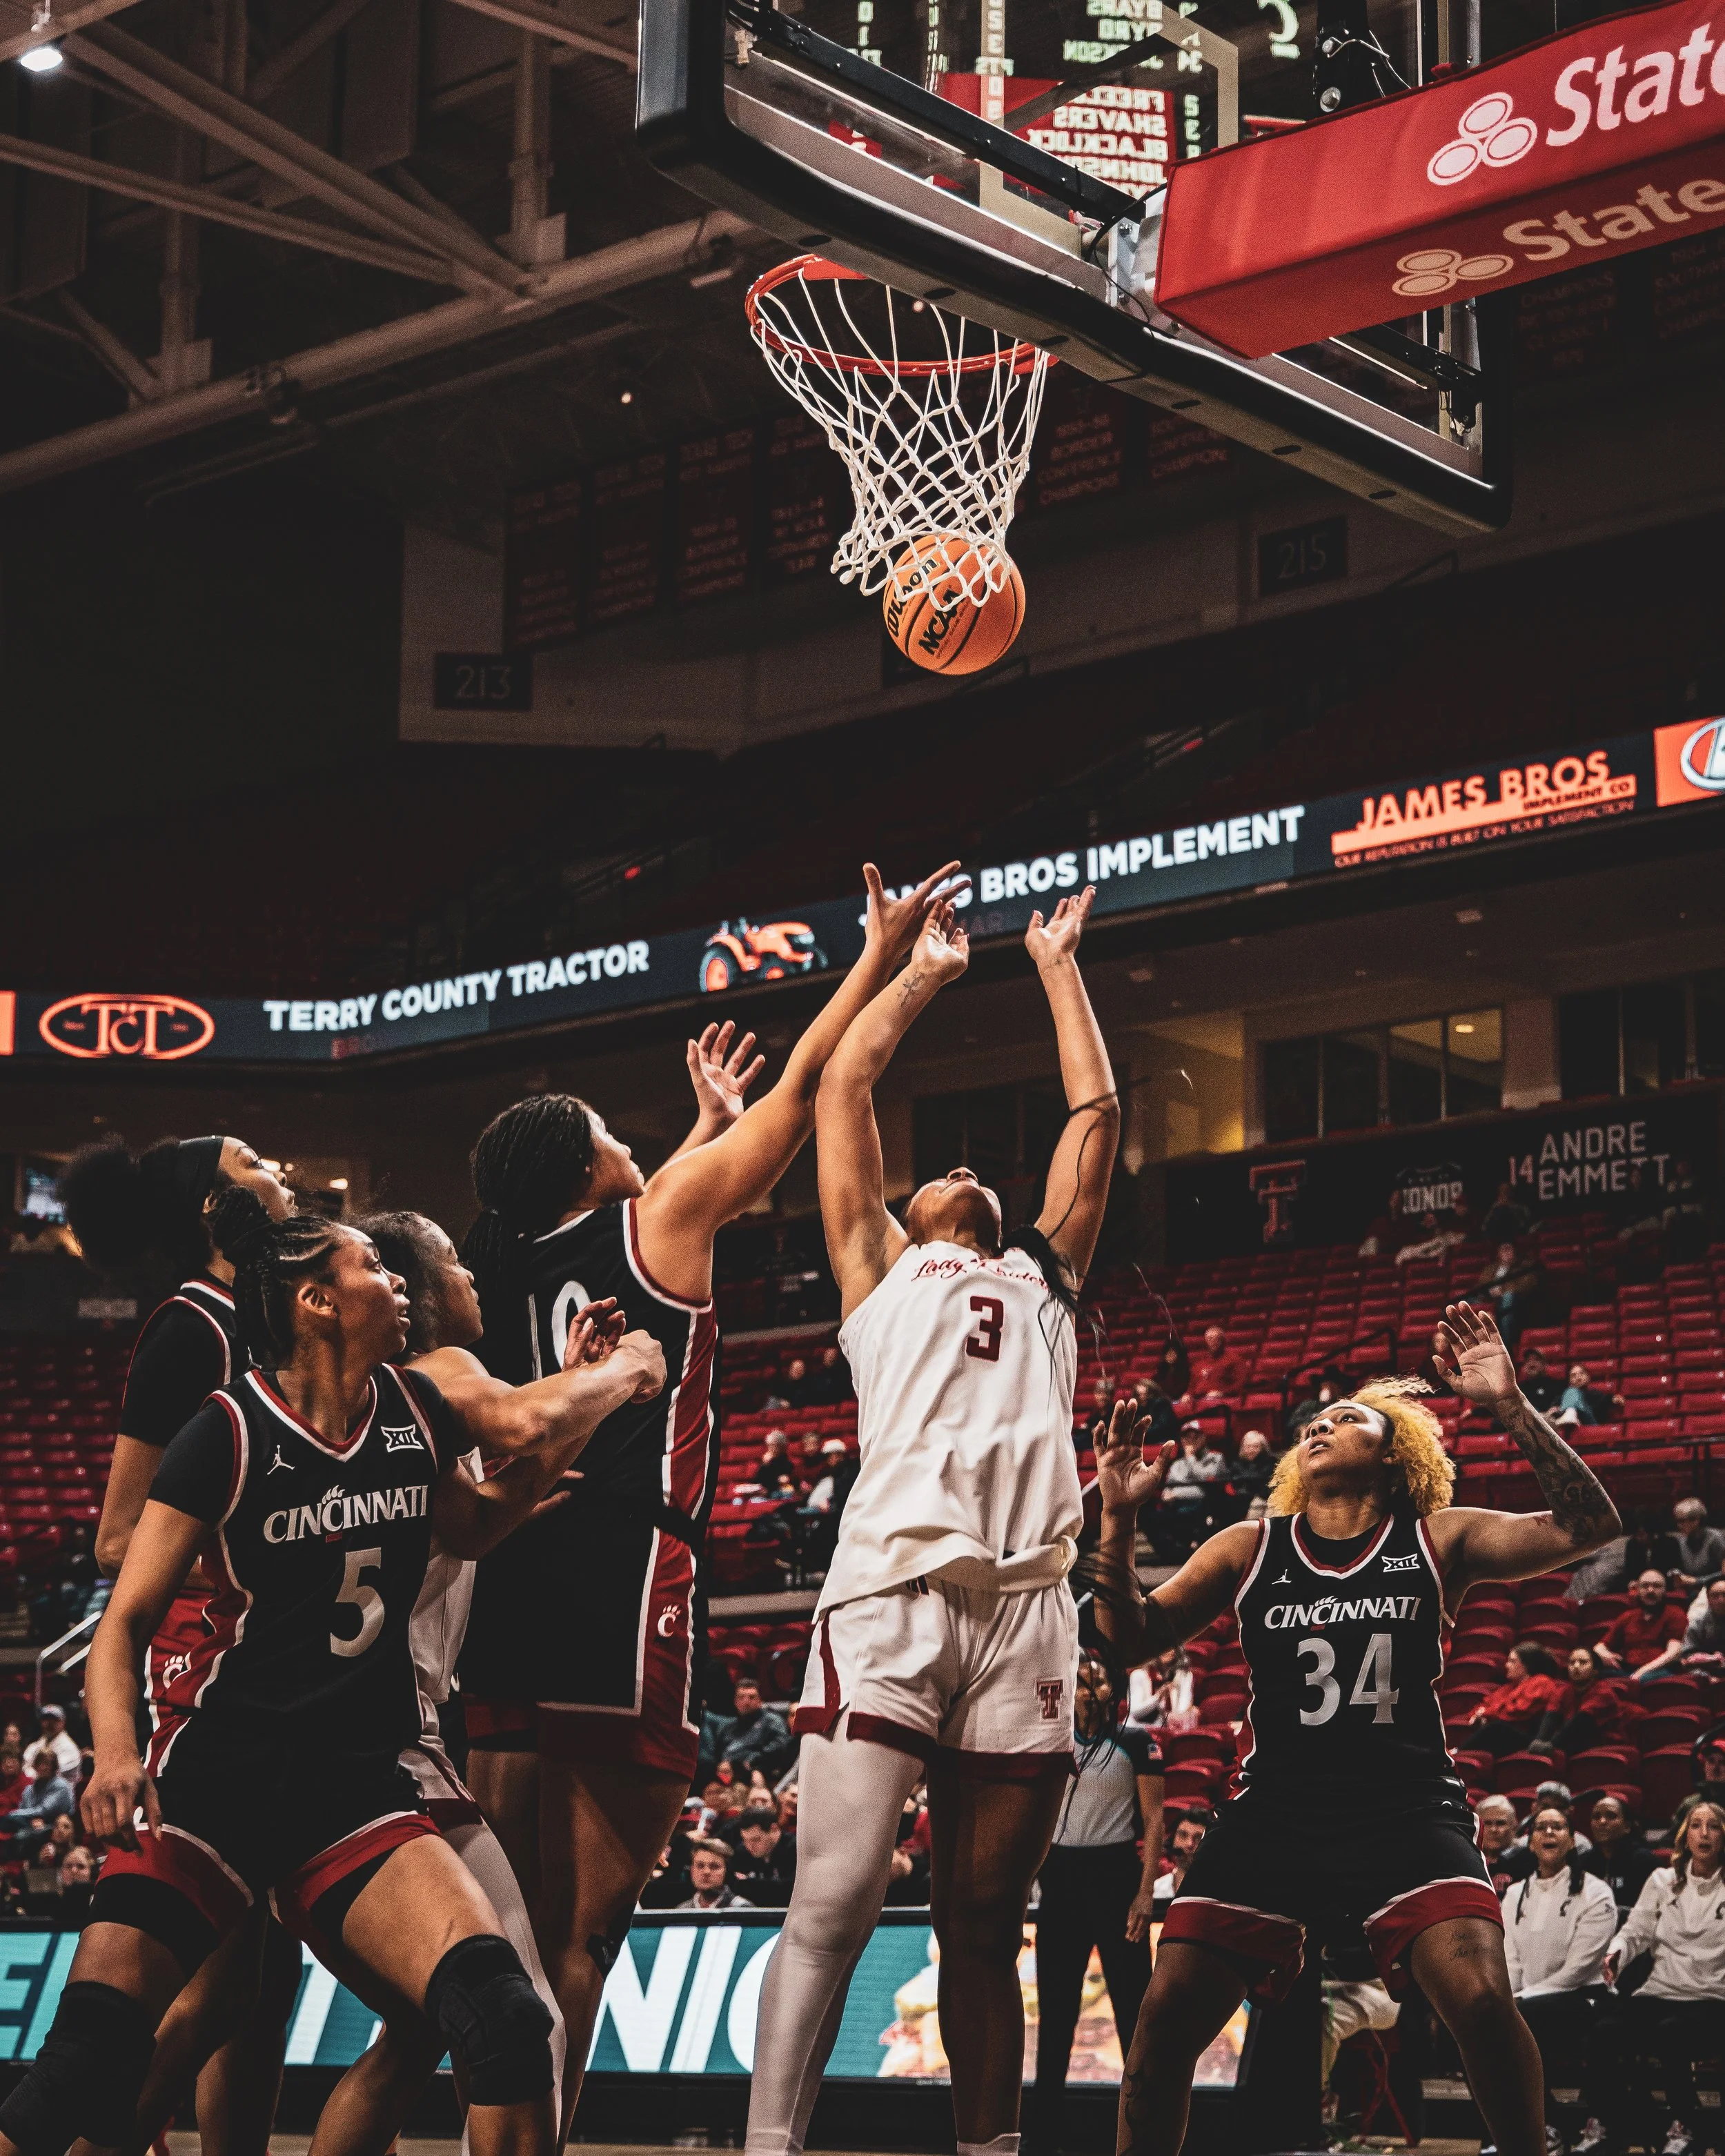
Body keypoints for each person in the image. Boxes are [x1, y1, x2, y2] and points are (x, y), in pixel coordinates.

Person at [455, 873, 957, 2124]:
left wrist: (693, 1133)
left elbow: (642, 1219)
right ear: (586, 1161)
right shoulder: (659, 1217)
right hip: (628, 1580)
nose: (643, 1145)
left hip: (509, 1576)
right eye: (615, 1136)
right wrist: (879, 958)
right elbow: (800, 1099)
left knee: (510, 1941)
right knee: (583, 1936)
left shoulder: (501, 1268)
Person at [2, 1206, 582, 2156]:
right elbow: (122, 1627)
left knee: (505, 2017)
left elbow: (474, 1525)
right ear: (316, 1300)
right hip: (219, 1775)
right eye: (369, 1268)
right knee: (83, 2065)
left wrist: (559, 1435)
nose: (395, 1281)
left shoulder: (413, 1409)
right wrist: (114, 1755)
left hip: (352, 1782)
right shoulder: (225, 1430)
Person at [746, 885, 1119, 2156]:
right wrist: (916, 974)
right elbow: (844, 1089)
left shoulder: (1048, 1280)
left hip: (1026, 1610)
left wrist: (1054, 964)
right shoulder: (875, 1265)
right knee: (838, 1901)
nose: (962, 1171)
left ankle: (989, 2149)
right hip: (897, 1588)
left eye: (977, 1172)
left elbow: (1098, 1117)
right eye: (938, 1172)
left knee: (980, 1922)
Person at [1086, 1296, 1621, 2156]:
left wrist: (1510, 1406)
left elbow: (1591, 1528)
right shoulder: (1248, 1544)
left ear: (1394, 1452)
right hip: (1274, 1813)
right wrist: (1116, 1517)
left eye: (1348, 1418)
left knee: (1483, 1998)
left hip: (1406, 1808)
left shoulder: (1435, 1538)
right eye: (1317, 1418)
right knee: (1159, 2022)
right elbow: (1122, 1638)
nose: (1321, 1423)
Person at [337, 1205, 668, 2144]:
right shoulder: (441, 1370)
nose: (473, 1277)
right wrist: (616, 1376)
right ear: (418, 1291)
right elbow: (516, 1439)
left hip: (357, 1728)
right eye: (454, 1264)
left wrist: (570, 1385)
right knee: (527, 2017)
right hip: (385, 1736)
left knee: (412, 2032)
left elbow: (486, 1508)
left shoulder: (393, 1395)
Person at [1027, 1651, 1162, 2153]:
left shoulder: (1136, 1741)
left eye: (1096, 1680)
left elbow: (1154, 1823)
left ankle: (1145, 2131)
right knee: (1056, 2014)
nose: (1086, 1687)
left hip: (1116, 1877)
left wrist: (1145, 1892)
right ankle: (1044, 2137)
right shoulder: (1052, 1741)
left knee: (1134, 2011)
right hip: (1059, 1879)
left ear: (1114, 1690)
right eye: (1079, 1680)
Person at [1593, 1799, 1725, 2156]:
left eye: (1713, 1826)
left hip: (1712, 1996)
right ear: (1685, 1835)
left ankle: (1685, 2124)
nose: (1704, 1833)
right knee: (1606, 2029)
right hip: (1661, 1989)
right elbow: (1636, 1932)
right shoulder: (1662, 1881)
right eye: (1696, 1825)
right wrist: (1616, 1952)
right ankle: (1617, 2123)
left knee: (1672, 2033)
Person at [1502, 1806, 1617, 2144]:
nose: (1549, 1833)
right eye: (1541, 1828)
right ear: (1531, 1842)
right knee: (1479, 2023)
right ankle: (1540, 2125)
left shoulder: (1596, 1893)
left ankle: (1547, 2126)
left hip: (1585, 1997)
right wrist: (1507, 1999)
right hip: (1530, 2001)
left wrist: (1519, 2001)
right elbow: (1510, 1959)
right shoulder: (1513, 1895)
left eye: (1558, 1827)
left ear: (1571, 1841)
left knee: (1516, 2019)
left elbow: (1576, 1971)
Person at [1465, 1641, 1570, 1757]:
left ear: (1527, 1665)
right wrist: (1481, 1716)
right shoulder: (1508, 1687)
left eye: (1512, 1661)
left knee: (1496, 1727)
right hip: (1506, 1739)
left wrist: (1487, 1715)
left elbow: (1517, 1712)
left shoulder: (1542, 1682)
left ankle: (1459, 1752)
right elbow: (1482, 1707)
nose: (1507, 1665)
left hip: (1530, 1738)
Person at [1534, 1644, 1642, 1757]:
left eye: (1583, 1662)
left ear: (1595, 1670)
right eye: (1572, 1662)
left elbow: (1580, 1722)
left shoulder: (1603, 1693)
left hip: (1602, 1746)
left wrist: (1550, 1746)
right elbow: (1550, 1717)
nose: (1576, 1666)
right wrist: (1539, 1742)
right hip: (1574, 1742)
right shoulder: (1564, 1690)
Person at [1150, 1425, 1227, 1560]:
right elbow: (1169, 1484)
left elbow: (1206, 1482)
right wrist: (1166, 1494)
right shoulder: (1178, 1463)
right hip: (1175, 1505)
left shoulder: (1216, 1458)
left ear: (1203, 1438)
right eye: (1186, 1438)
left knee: (1193, 1512)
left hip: (1203, 1503)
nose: (1190, 1441)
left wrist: (1191, 1458)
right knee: (1152, 1516)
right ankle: (1176, 1553)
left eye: (1195, 1437)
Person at [1581, 1794, 1659, 1919]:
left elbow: (1652, 1912)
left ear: (1627, 1826)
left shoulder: (1645, 1862)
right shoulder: (1582, 1863)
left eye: (1611, 1816)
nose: (1602, 1822)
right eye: (1596, 1817)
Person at [1595, 1570, 1687, 1672]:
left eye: (1657, 1586)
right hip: (1628, 1670)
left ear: (1665, 1590)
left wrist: (1642, 1672)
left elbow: (1674, 1653)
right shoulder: (1627, 1617)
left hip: (1661, 1670)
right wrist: (1606, 1656)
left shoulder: (1675, 1614)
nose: (1650, 1590)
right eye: (1645, 1586)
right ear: (1637, 1590)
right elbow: (1599, 1648)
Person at [715, 1680, 794, 1783]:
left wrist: (753, 1760)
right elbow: (717, 1753)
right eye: (741, 1697)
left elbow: (780, 1745)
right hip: (726, 1773)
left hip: (758, 1770)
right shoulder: (726, 1727)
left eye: (752, 1697)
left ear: (760, 1700)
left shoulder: (772, 1721)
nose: (746, 1702)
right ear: (735, 1702)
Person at [0, 1751, 74, 1850]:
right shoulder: (30, 1789)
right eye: (40, 1764)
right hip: (32, 1823)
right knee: (8, 1823)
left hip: (55, 1825)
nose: (43, 1767)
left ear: (54, 1766)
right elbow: (24, 1809)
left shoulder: (61, 1785)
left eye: (47, 1764)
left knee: (20, 1833)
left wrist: (13, 1813)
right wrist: (29, 1820)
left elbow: (44, 1810)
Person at [1476, 1241, 1541, 1347]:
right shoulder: (1491, 1269)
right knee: (1465, 1302)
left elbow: (1527, 1285)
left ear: (1515, 1252)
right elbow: (1480, 1286)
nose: (1506, 1252)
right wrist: (1488, 1293)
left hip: (1516, 1301)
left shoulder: (1523, 1266)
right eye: (1503, 1249)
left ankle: (1505, 1343)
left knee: (1508, 1298)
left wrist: (1502, 1291)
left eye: (1509, 1249)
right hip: (1489, 1299)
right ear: (1498, 1253)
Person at [730, 1808, 797, 1908]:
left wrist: (750, 1883)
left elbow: (791, 1891)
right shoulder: (742, 1852)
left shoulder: (795, 1849)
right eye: (745, 1840)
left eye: (756, 1840)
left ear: (774, 1829)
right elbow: (733, 1886)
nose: (749, 1846)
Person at [1150, 1810, 1209, 1913]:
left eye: (1198, 1838)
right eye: (1183, 1835)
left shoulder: (1219, 1894)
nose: (1189, 1844)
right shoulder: (1155, 1891)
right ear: (1172, 1840)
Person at [680, 1841, 753, 1912]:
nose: (706, 1872)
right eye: (700, 1866)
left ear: (727, 1871)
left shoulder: (743, 1910)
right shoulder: (681, 1911)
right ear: (691, 1870)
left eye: (714, 1866)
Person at [1670, 1499, 1725, 1589]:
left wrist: (1697, 1581)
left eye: (1682, 1521)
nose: (1679, 1526)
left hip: (1713, 1588)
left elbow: (1724, 1573)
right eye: (1678, 1521)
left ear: (1696, 1521)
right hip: (1690, 1589)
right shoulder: (1682, 1540)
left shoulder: (1715, 1538)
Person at [1228, 1430, 1276, 1520]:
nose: (1251, 1450)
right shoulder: (1236, 1465)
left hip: (1267, 1499)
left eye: (1255, 1447)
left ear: (1263, 1448)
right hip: (1244, 1502)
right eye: (1248, 1447)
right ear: (1243, 1448)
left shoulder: (1271, 1462)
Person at [1556, 1362, 1621, 1429]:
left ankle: (1571, 1413)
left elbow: (1604, 1402)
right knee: (1571, 1391)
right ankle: (1570, 1414)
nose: (1578, 1378)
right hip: (1570, 1427)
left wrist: (1612, 1399)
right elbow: (1554, 1409)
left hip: (1590, 1425)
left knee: (1572, 1391)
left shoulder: (1595, 1394)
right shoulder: (1564, 1396)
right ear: (1570, 1381)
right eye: (1574, 1375)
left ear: (1588, 1376)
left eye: (1581, 1373)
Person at [21, 1707, 78, 1782]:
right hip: (36, 1790)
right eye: (46, 1719)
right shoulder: (34, 1746)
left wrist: (31, 1772)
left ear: (63, 1722)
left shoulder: (70, 1748)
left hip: (60, 1791)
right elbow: (25, 1769)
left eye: (54, 1720)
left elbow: (51, 1773)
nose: (49, 1724)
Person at [1190, 1325, 1243, 1401]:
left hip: (1221, 1400)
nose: (1213, 1342)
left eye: (1217, 1339)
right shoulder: (1198, 1363)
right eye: (1210, 1339)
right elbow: (1191, 1385)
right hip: (1197, 1400)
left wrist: (1222, 1393)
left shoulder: (1234, 1360)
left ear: (1223, 1341)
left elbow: (1239, 1384)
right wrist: (1188, 1394)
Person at [1517, 1351, 1561, 1417]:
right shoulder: (1519, 1388)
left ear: (1544, 1365)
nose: (1531, 1363)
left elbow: (1557, 1404)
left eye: (1536, 1360)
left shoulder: (1554, 1384)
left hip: (1548, 1420)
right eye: (1528, 1361)